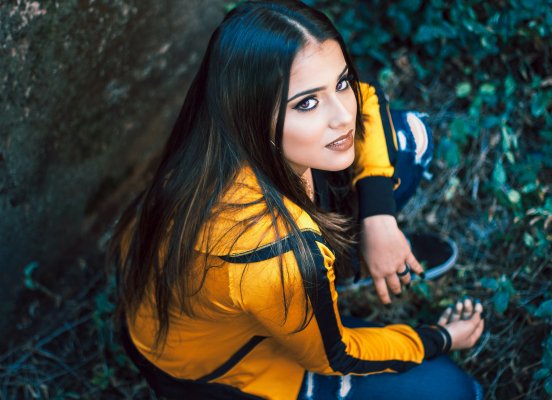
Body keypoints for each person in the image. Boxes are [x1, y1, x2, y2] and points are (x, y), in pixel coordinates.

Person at [110, 1, 485, 399]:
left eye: (340, 83)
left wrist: (379, 218)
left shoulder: (216, 142)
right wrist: (437, 338)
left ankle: (346, 265)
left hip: (216, 303)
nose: (343, 115)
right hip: (221, 370)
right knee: (455, 391)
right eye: (307, 103)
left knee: (405, 137)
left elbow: (369, 100)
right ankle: (324, 290)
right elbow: (337, 356)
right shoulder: (274, 252)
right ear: (251, 112)